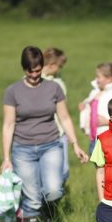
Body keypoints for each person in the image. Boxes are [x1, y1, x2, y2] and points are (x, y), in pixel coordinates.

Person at [0, 46, 88, 222]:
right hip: (22, 149)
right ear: (23, 69)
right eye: (29, 72)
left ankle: (50, 212)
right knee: (32, 198)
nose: (34, 76)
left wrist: (75, 144)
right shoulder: (13, 91)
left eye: (37, 71)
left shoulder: (54, 88)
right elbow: (8, 124)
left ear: (43, 66)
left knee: (54, 190)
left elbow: (64, 117)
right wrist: (6, 158)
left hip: (51, 145)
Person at [79, 63, 112, 154]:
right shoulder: (96, 92)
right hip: (95, 140)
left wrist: (108, 122)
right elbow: (91, 110)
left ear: (108, 78)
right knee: (99, 168)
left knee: (111, 168)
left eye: (98, 77)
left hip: (111, 141)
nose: (96, 80)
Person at [41, 47, 70, 183]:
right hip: (46, 133)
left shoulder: (57, 80)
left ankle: (52, 201)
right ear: (52, 66)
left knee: (63, 171)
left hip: (60, 131)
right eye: (60, 66)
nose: (60, 69)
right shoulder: (36, 81)